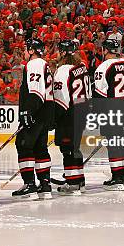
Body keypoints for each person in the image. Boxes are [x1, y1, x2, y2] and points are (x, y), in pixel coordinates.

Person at [93, 39, 124, 190]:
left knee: (114, 144)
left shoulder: (103, 66)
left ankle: (117, 177)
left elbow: (99, 95)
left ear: (105, 50)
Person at [12, 38, 54, 199]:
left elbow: (36, 91)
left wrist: (27, 111)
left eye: (25, 49)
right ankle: (45, 185)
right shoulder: (44, 64)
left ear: (31, 50)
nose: (24, 52)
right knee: (40, 148)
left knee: (24, 145)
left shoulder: (34, 64)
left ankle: (29, 184)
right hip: (45, 112)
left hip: (35, 112)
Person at [52, 40, 91, 195]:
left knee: (67, 149)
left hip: (69, 112)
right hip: (82, 111)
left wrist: (54, 118)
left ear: (62, 53)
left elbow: (61, 98)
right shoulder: (82, 68)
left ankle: (72, 182)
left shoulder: (63, 70)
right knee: (75, 147)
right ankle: (79, 179)